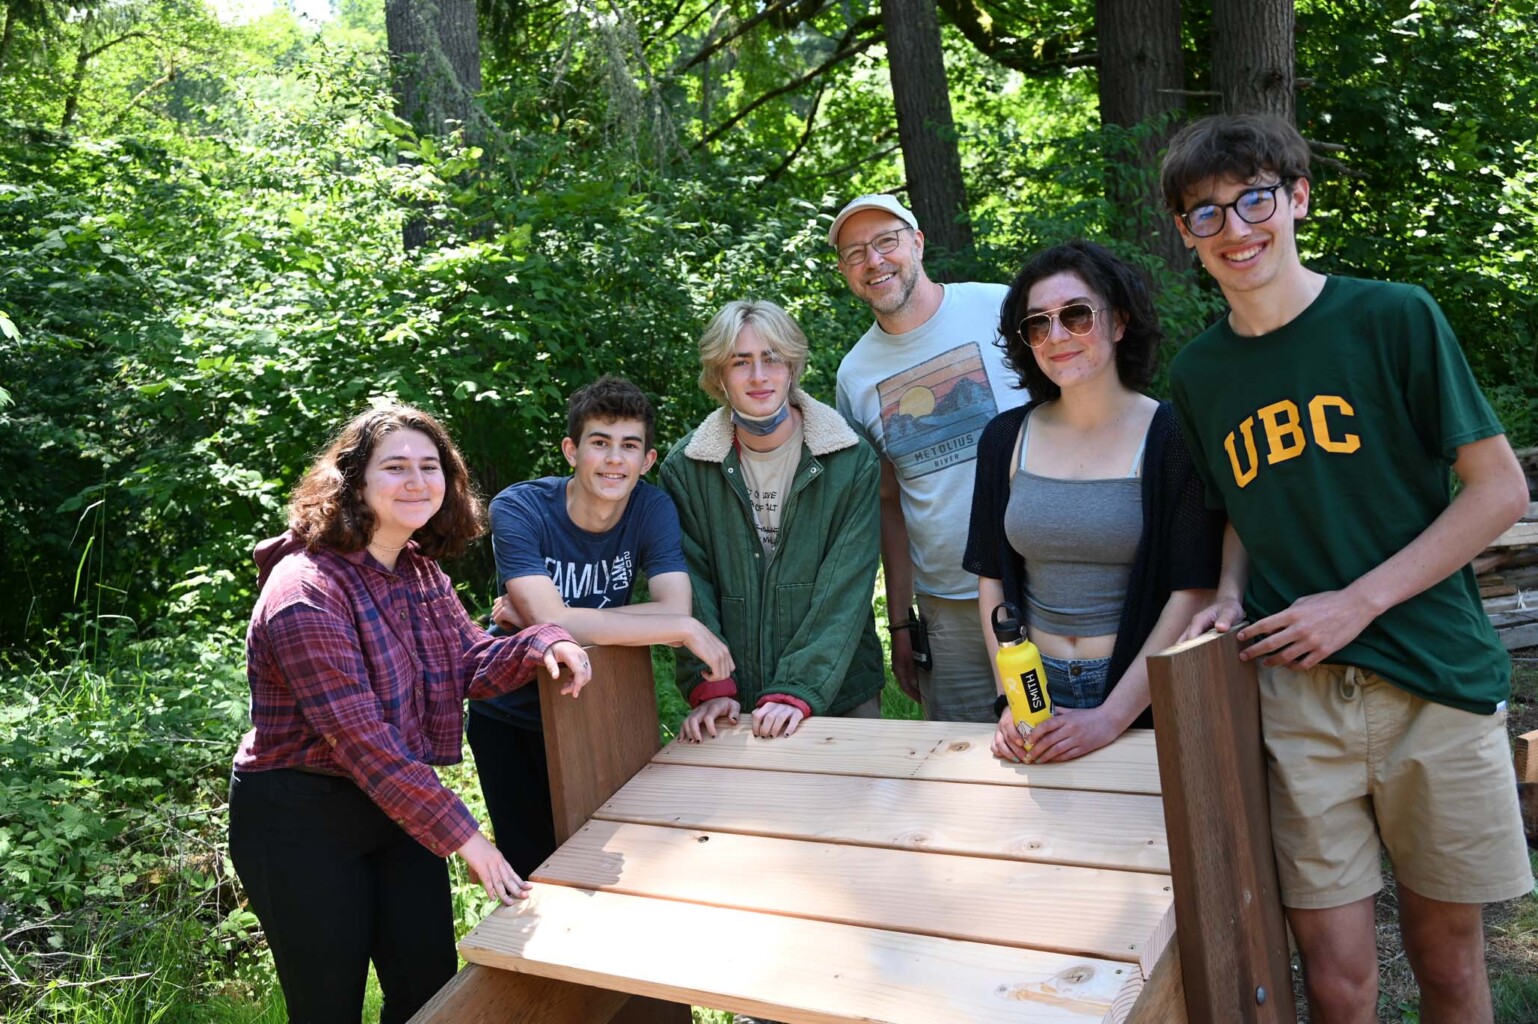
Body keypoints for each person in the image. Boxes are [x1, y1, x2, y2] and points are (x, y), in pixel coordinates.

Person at [1161, 113, 1533, 1023]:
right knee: (1335, 985)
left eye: (1254, 199)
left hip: (1433, 682)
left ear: (1296, 198)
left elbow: (1497, 492)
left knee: (1449, 968)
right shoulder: (1199, 374)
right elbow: (1244, 505)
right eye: (1206, 212)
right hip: (1299, 695)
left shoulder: (1391, 316)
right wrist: (1236, 591)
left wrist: (1357, 602)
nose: (1235, 228)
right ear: (1184, 233)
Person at [228, 406, 591, 1024]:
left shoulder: (419, 571)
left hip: (395, 810)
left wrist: (543, 641)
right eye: (395, 467)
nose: (417, 481)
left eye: (431, 466)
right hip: (297, 817)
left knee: (427, 992)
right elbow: (364, 742)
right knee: (327, 1007)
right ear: (352, 483)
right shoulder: (303, 590)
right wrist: (471, 840)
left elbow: (468, 663)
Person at [963, 241, 1223, 765]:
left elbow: (1193, 590)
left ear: (1120, 322)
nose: (1056, 335)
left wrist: (1111, 717)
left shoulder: (1174, 437)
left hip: (1141, 691)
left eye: (1076, 315)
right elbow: (992, 577)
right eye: (1038, 323)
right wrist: (1012, 700)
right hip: (1033, 689)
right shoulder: (1003, 439)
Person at [474, 375, 731, 876]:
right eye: (600, 443)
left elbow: (673, 605)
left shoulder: (651, 507)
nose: (615, 459)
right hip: (510, 711)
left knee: (610, 853)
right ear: (571, 450)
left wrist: (549, 620)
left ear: (647, 460)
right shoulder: (519, 508)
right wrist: (673, 626)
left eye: (629, 446)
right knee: (533, 866)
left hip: (594, 701)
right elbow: (565, 621)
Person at [830, 193, 1027, 723]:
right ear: (846, 272)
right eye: (854, 254)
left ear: (916, 243)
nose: (873, 261)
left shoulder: (1001, 308)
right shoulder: (855, 376)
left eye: (886, 242)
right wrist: (901, 623)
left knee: (1066, 738)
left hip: (1044, 579)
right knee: (965, 767)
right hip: (948, 604)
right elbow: (888, 501)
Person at [660, 300, 884, 743]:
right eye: (740, 362)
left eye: (772, 358)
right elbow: (691, 587)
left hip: (839, 690)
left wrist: (797, 688)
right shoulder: (687, 468)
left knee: (851, 811)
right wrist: (712, 683)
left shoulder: (849, 459)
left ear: (793, 366)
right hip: (731, 700)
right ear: (718, 375)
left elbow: (845, 588)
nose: (759, 376)